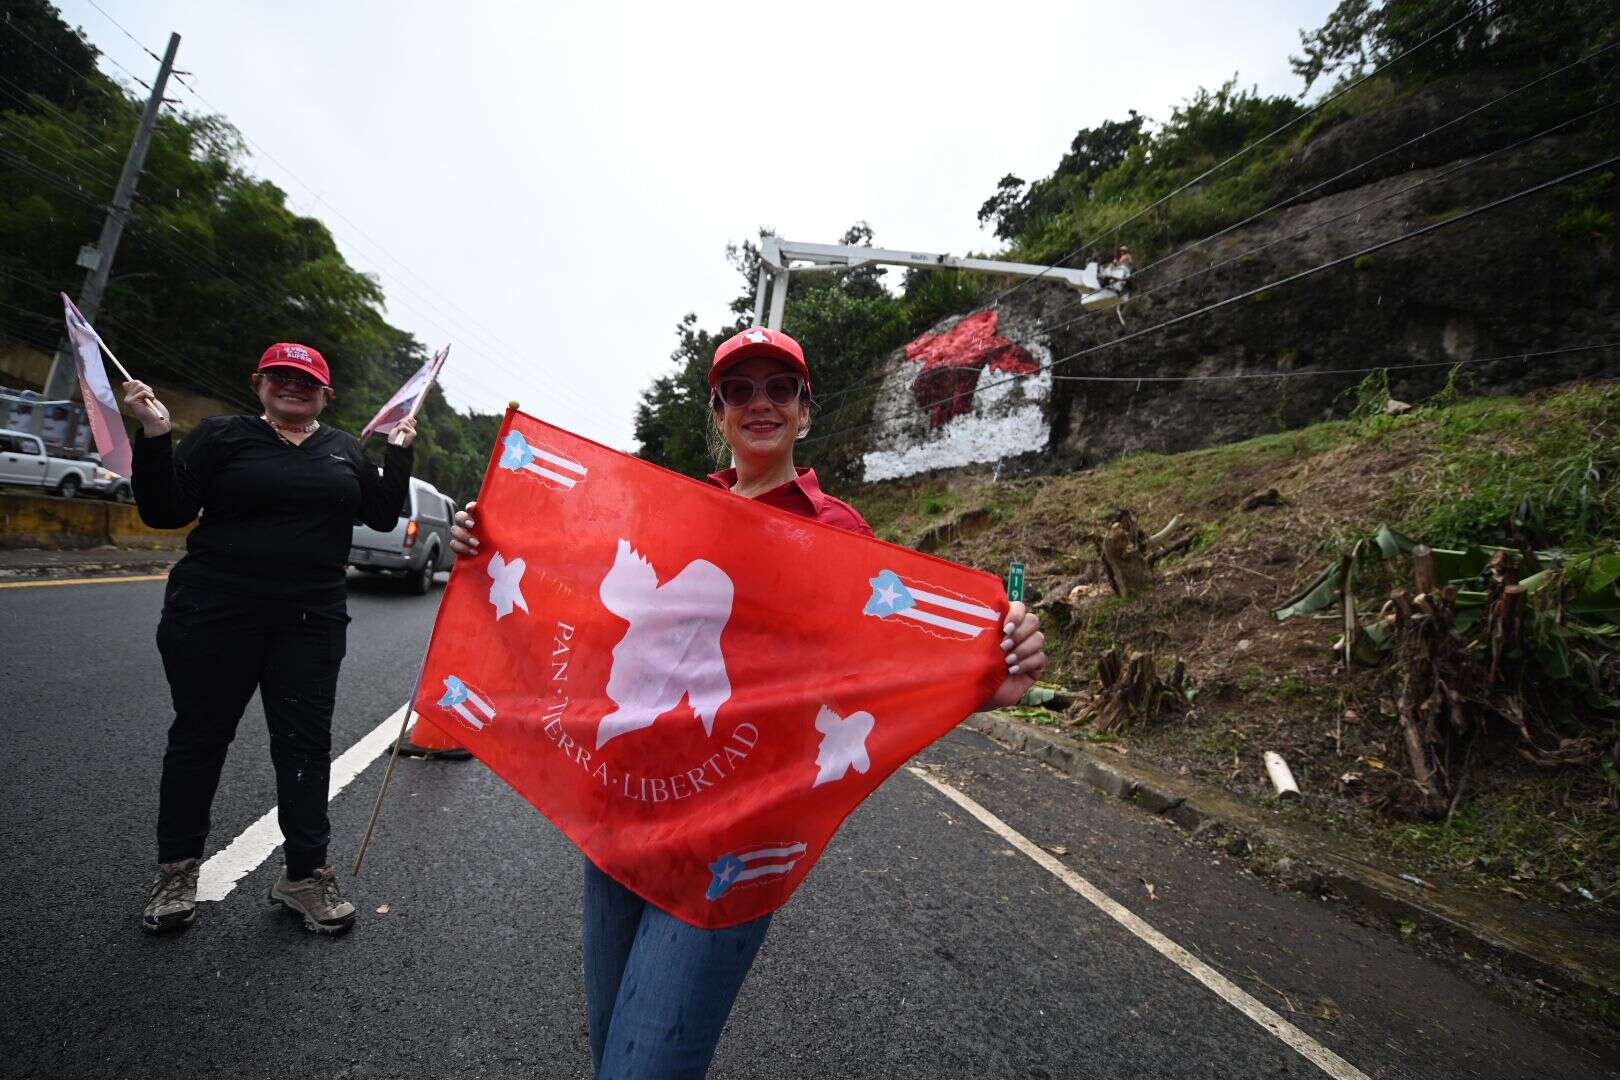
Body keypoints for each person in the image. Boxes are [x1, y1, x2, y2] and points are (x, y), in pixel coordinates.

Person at [449, 326, 1046, 1078]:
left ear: (805, 410)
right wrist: (491, 542)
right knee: (613, 1052)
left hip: (733, 842)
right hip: (624, 812)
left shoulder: (839, 536)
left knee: (645, 1067)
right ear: (719, 413)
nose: (758, 403)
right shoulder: (675, 511)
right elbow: (590, 614)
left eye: (778, 388)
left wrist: (993, 678)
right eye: (739, 390)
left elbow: (889, 671)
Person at [124, 342, 416, 935]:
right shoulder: (221, 437)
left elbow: (384, 515)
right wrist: (154, 435)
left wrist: (397, 453)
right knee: (199, 738)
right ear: (258, 382)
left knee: (305, 748)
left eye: (305, 380)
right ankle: (177, 870)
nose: (292, 386)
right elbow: (163, 510)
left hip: (309, 623)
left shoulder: (342, 450)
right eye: (280, 376)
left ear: (325, 395)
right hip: (211, 614)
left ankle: (305, 876)